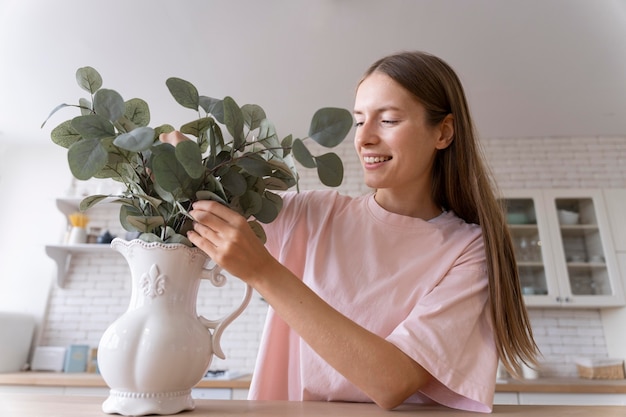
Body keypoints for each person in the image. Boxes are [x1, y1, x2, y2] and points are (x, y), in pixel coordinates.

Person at [179, 50, 538, 413]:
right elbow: (197, 207)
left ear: (443, 132)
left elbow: (392, 382)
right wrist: (175, 160)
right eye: (359, 121)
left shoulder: (469, 250)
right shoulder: (311, 214)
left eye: (389, 120)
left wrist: (263, 273)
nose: (363, 138)